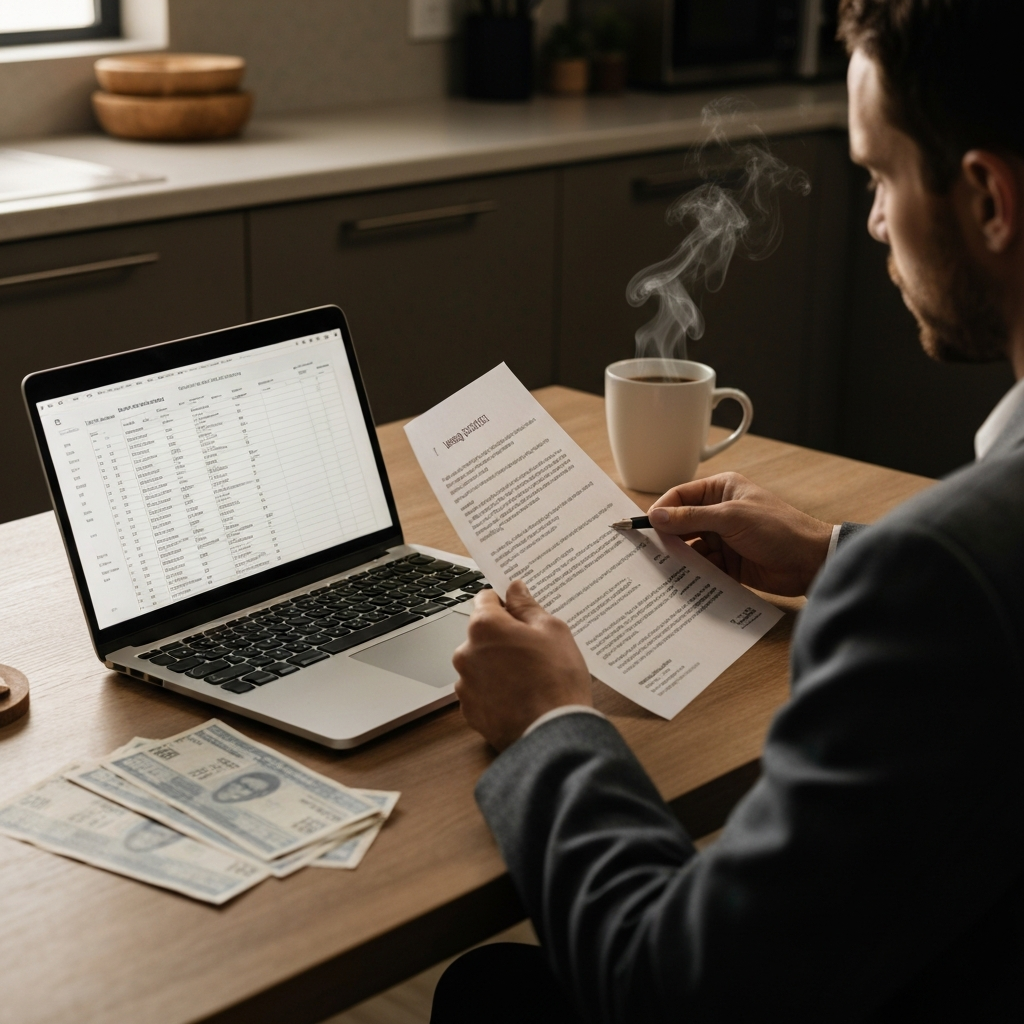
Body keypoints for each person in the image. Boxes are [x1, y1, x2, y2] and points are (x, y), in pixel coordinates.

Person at [429, 1, 1024, 1021]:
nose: (875, 219)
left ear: (985, 198)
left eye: (878, 175)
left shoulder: (938, 580)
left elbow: (674, 987)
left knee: (489, 997)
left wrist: (548, 725)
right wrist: (835, 553)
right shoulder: (950, 567)